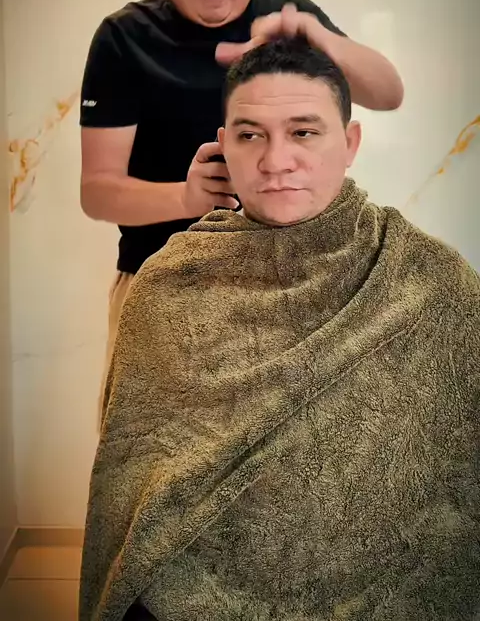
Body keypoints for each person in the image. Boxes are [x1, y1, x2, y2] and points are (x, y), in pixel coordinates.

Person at [80, 37, 479, 621]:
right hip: (197, 585)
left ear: (351, 143)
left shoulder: (431, 280)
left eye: (304, 132)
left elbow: (460, 479)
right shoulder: (168, 287)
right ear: (224, 145)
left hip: (394, 581)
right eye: (250, 136)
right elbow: (133, 485)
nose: (275, 160)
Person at [79, 0, 404, 376]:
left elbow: (388, 92)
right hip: (162, 288)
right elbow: (97, 191)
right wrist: (186, 198)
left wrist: (318, 36)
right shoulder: (124, 39)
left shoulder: (282, 11)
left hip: (286, 284)